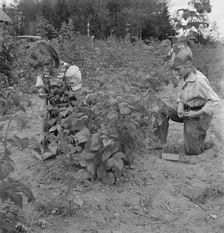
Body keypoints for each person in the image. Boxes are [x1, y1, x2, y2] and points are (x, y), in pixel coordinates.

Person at [158, 43, 224, 155]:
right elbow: (181, 93)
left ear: (188, 65)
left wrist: (196, 113)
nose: (175, 73)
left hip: (200, 115)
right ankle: (160, 143)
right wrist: (180, 105)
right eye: (173, 70)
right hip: (186, 109)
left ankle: (208, 141)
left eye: (177, 69)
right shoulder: (183, 75)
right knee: (162, 109)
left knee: (192, 151)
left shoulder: (199, 80)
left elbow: (215, 102)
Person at [29, 40, 82, 158]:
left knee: (73, 144)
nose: (44, 70)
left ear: (54, 57)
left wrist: (67, 124)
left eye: (47, 64)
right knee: (45, 145)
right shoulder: (42, 78)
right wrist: (42, 133)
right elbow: (44, 108)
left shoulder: (70, 71)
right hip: (55, 120)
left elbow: (78, 103)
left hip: (73, 118)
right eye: (39, 67)